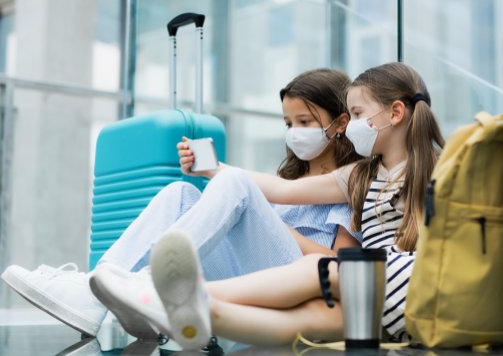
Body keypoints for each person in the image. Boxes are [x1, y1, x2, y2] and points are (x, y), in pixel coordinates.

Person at [89, 62, 445, 349]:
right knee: (180, 194)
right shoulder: (363, 175)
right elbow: (283, 189)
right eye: (289, 123)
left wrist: (235, 185)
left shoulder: (431, 174)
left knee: (313, 274)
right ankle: (138, 296)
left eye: (355, 114)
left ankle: (162, 293)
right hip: (356, 293)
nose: (350, 125)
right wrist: (215, 170)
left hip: (371, 288)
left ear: (395, 112)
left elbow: (338, 259)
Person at [1, 68, 362, 340]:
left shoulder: (350, 184)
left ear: (340, 122)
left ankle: (147, 289)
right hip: (254, 274)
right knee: (181, 193)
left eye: (304, 121)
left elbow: (344, 268)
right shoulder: (287, 180)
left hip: (297, 284)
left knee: (233, 180)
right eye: (288, 122)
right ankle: (97, 287)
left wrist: (271, 221)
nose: (294, 131)